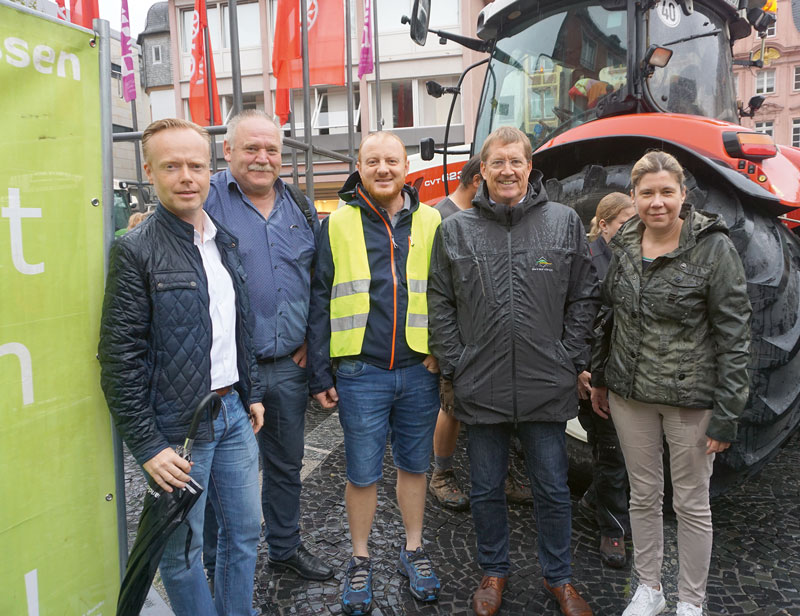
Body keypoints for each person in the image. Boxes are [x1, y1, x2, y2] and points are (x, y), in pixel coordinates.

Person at [428, 126, 599, 616]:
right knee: (485, 487)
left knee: (551, 486)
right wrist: (457, 359)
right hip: (481, 384)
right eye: (497, 162)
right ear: (482, 170)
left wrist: (569, 356)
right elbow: (439, 299)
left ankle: (560, 578)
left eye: (516, 162)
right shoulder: (455, 230)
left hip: (547, 383)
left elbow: (584, 294)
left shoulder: (563, 223)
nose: (507, 171)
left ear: (530, 168)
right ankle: (493, 571)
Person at [98, 118, 264, 616]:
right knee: (183, 549)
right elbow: (118, 360)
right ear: (149, 171)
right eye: (172, 166)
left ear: (210, 169)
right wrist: (149, 446)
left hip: (231, 413)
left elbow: (238, 327)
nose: (186, 176)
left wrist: (250, 390)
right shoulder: (135, 250)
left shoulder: (221, 241)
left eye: (195, 165)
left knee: (245, 535)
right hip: (177, 432)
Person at [590, 151, 751, 616]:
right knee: (642, 495)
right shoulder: (624, 241)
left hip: (690, 400)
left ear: (683, 194)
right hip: (629, 394)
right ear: (634, 197)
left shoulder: (714, 247)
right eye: (646, 193)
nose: (656, 202)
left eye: (666, 192)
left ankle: (691, 602)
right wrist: (601, 376)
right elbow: (610, 314)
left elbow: (735, 333)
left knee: (692, 503)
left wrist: (727, 412)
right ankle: (650, 589)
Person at [307, 131, 443, 615]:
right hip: (360, 371)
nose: (383, 168)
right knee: (361, 472)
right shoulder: (336, 224)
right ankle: (360, 558)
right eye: (372, 161)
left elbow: (448, 293)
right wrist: (321, 372)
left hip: (419, 369)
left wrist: (442, 353)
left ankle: (414, 549)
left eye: (391, 160)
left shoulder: (432, 221)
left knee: (414, 466)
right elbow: (320, 298)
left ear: (406, 165)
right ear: (358, 167)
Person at [204, 110, 333, 582]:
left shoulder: (299, 205)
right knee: (222, 474)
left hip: (287, 366)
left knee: (285, 464)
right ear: (229, 151)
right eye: (251, 148)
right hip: (228, 373)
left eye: (272, 149)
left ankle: (284, 548)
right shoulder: (206, 199)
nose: (262, 158)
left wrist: (310, 351)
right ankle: (215, 563)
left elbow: (318, 284)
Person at [429, 155, 534, 511]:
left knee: (498, 407)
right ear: (480, 179)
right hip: (460, 338)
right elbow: (433, 289)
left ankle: (499, 475)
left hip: (491, 337)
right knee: (452, 407)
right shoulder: (442, 218)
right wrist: (440, 350)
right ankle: (441, 474)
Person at [576, 192, 636, 568]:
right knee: (612, 454)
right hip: (598, 374)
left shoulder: (636, 258)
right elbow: (578, 319)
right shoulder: (585, 262)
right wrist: (580, 368)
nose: (632, 231)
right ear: (603, 224)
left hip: (632, 375)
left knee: (631, 455)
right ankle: (612, 531)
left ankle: (591, 502)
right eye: (624, 224)